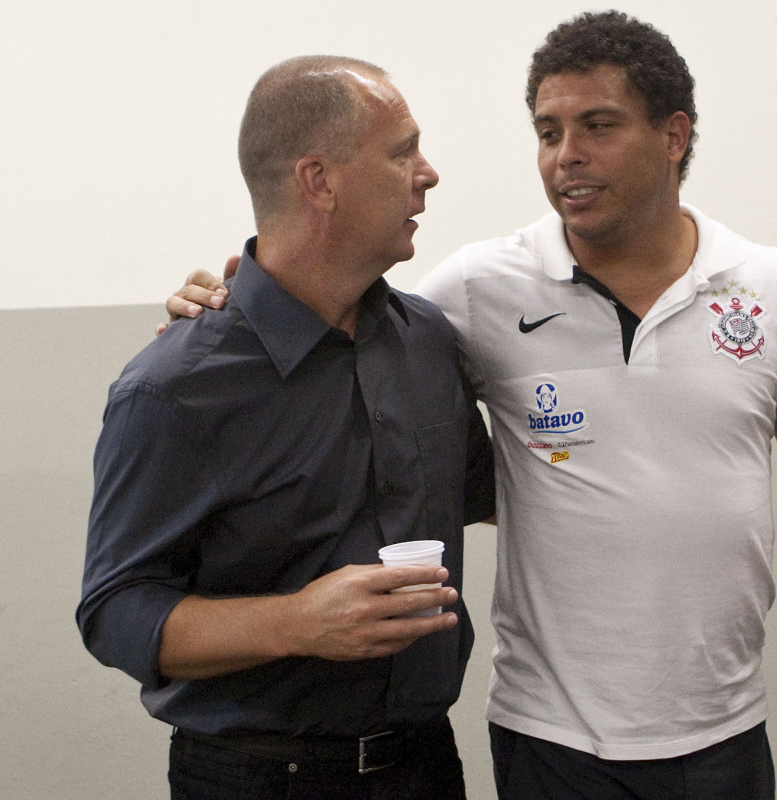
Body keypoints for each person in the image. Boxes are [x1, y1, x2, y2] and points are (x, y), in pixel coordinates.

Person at [164, 12, 777, 799]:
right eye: (548, 130)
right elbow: (332, 324)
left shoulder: (774, 288)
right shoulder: (478, 289)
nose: (566, 155)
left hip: (725, 728)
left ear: (674, 136)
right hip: (550, 739)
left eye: (597, 126)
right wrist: (226, 300)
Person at [78, 55, 494, 800]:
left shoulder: (429, 341)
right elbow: (115, 612)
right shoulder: (174, 388)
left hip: (426, 767)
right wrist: (297, 623)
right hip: (257, 777)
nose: (428, 174)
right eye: (403, 151)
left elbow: (488, 495)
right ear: (319, 180)